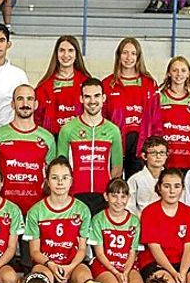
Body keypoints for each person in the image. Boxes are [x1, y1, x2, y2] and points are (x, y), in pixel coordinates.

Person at [24, 157, 93, 283]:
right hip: (46, 264)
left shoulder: (82, 209)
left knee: (86, 280)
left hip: (73, 263)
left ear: (71, 181)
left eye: (65, 177)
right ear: (48, 181)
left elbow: (82, 249)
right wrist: (52, 265)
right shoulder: (36, 211)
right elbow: (34, 251)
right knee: (43, 281)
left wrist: (70, 267)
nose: (60, 182)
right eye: (55, 178)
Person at [57, 78, 123, 216]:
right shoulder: (67, 129)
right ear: (81, 99)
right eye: (87, 96)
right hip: (75, 195)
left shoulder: (113, 130)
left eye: (97, 96)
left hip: (103, 196)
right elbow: (60, 168)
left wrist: (110, 196)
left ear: (104, 97)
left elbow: (117, 167)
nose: (92, 101)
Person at [0, 84, 56, 215]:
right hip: (4, 210)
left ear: (36, 104)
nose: (25, 103)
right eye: (20, 99)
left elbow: (51, 175)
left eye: (30, 99)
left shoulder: (47, 138)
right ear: (12, 104)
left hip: (37, 211)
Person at [102, 38, 158, 178]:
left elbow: (156, 117)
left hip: (140, 146)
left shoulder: (149, 84)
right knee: (115, 189)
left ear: (138, 56)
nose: (129, 57)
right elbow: (102, 118)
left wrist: (156, 146)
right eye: (125, 53)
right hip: (115, 144)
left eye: (133, 53)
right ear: (119, 55)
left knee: (139, 189)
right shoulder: (107, 84)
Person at [144, 56, 190, 171]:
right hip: (163, 159)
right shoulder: (159, 97)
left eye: (183, 70)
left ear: (188, 74)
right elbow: (151, 127)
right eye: (175, 70)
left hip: (187, 158)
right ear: (168, 73)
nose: (179, 74)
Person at [88, 178, 140, 283]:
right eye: (114, 196)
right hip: (104, 264)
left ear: (128, 198)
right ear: (106, 196)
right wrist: (116, 272)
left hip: (126, 264)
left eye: (123, 196)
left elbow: (132, 252)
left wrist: (125, 273)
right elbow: (99, 253)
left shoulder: (134, 221)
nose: (119, 201)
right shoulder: (98, 219)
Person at [36, 36, 92, 136]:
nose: (66, 55)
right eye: (62, 50)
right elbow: (37, 118)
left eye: (70, 50)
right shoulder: (44, 86)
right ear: (56, 54)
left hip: (81, 138)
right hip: (53, 139)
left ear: (76, 54)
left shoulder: (87, 82)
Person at [126, 136, 168, 215]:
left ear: (167, 155)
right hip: (142, 221)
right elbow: (129, 207)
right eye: (153, 153)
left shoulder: (172, 179)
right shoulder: (135, 179)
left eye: (162, 153)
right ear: (144, 156)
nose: (158, 156)